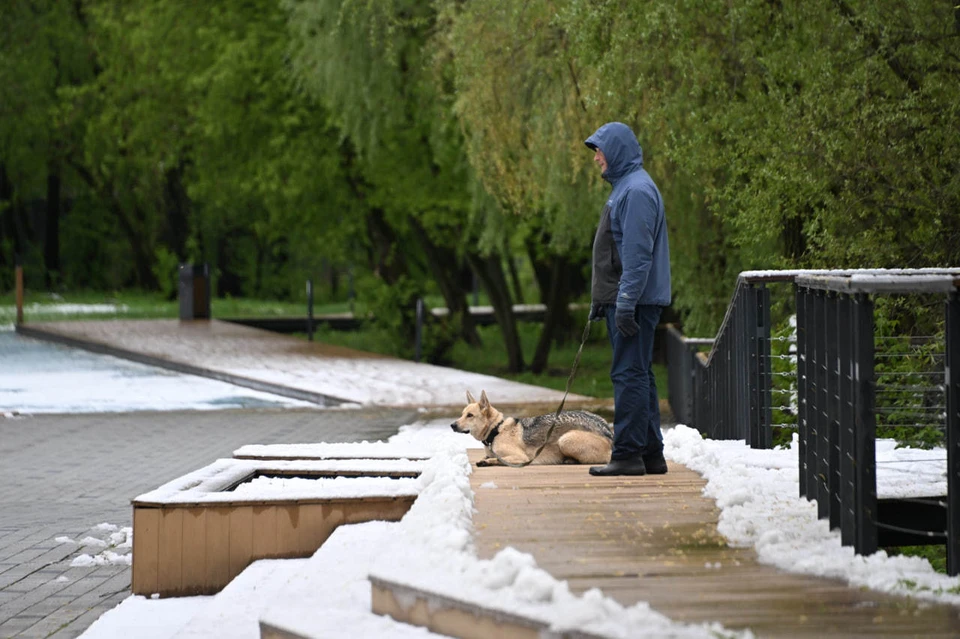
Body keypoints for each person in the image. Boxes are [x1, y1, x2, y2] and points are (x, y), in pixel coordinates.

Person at [584, 122, 671, 476]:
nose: (597, 159)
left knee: (628, 375)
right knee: (638, 373)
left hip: (634, 302)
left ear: (616, 150)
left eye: (600, 151)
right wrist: (604, 299)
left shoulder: (635, 191)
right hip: (628, 299)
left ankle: (628, 454)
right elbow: (614, 252)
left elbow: (637, 258)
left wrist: (624, 303)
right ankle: (650, 454)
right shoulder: (628, 188)